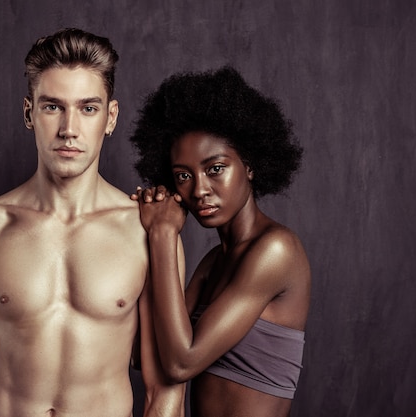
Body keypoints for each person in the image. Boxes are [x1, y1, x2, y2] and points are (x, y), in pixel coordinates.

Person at [0, 28, 185, 417]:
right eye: (53, 107)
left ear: (110, 117)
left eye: (88, 108)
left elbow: (164, 391)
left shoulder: (145, 233)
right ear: (29, 113)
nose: (70, 129)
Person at [129, 66, 311, 417]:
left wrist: (163, 234)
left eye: (215, 168)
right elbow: (145, 354)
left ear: (251, 165)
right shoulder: (214, 262)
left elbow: (181, 363)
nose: (199, 190)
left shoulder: (276, 250)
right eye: (183, 176)